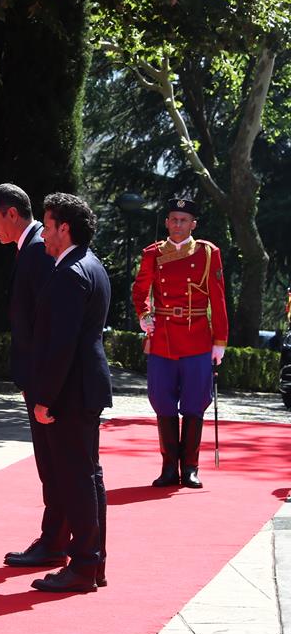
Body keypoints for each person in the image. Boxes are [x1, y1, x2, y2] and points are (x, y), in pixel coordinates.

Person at [0, 183, 65, 569]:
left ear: (13, 214)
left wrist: (44, 383)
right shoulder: (29, 249)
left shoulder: (37, 251)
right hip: (40, 374)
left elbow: (48, 322)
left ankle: (55, 540)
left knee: (54, 462)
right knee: (51, 462)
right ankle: (56, 538)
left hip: (44, 376)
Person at [29, 192, 111, 593]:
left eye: (46, 226)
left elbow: (61, 345)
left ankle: (82, 567)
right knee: (88, 476)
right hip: (85, 386)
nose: (42, 234)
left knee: (77, 479)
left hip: (71, 391)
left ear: (65, 228)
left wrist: (45, 397)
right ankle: (93, 563)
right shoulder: (91, 266)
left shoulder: (70, 273)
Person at [131, 197, 228, 489]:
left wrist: (220, 341)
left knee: (195, 403)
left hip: (197, 337)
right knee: (162, 401)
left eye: (183, 220)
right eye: (173, 219)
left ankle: (191, 467)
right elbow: (140, 290)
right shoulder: (152, 253)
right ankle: (168, 468)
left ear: (193, 224)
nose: (177, 224)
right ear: (167, 222)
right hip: (162, 339)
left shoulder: (208, 253)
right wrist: (144, 314)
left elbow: (218, 299)